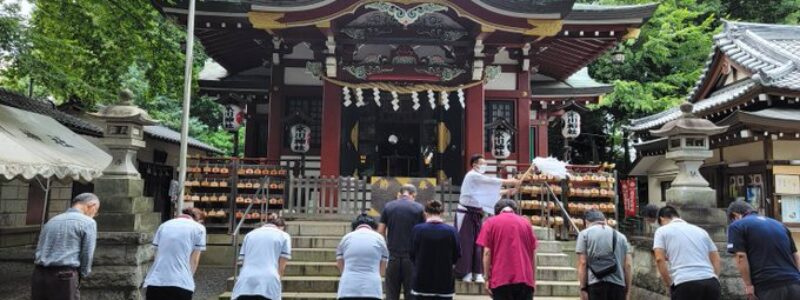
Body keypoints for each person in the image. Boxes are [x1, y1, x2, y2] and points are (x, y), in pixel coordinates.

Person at [456, 154, 520, 283]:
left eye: (485, 163)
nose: (484, 166)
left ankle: (477, 272)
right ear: (474, 164)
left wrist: (507, 191)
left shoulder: (477, 178)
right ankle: (465, 272)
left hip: (477, 213)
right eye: (482, 163)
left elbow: (486, 193)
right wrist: (510, 181)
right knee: (466, 243)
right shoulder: (472, 175)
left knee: (479, 243)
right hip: (466, 213)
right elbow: (490, 181)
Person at [32, 193, 100, 300]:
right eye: (95, 211)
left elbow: (40, 247)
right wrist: (83, 274)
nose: (94, 215)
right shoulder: (88, 223)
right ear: (91, 205)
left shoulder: (52, 221)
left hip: (39, 275)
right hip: (65, 277)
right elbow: (87, 253)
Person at [727, 200, 800, 300]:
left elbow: (741, 256)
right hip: (794, 284)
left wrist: (748, 286)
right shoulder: (780, 225)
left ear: (735, 215)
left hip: (767, 286)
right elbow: (796, 256)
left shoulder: (737, 225)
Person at [653, 206, 720, 300]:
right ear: (678, 216)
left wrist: (669, 283)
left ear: (661, 218)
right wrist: (715, 276)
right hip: (710, 282)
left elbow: (659, 259)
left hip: (685, 283)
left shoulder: (662, 231)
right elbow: (715, 256)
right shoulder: (700, 230)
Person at [476, 198, 537, 300]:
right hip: (525, 279)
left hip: (500, 279)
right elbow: (533, 253)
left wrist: (486, 278)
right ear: (515, 210)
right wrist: (533, 280)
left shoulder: (490, 223)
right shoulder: (526, 223)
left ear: (497, 212)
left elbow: (487, 253)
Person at [143, 208, 207, 300]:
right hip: (181, 283)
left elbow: (156, 255)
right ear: (199, 220)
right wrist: (189, 277)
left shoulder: (164, 225)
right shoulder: (199, 228)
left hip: (155, 281)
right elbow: (194, 260)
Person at [378, 184, 425, 300]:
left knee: (391, 294)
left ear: (400, 194)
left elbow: (380, 232)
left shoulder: (388, 207)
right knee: (411, 294)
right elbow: (424, 233)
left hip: (392, 256)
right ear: (413, 195)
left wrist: (385, 251)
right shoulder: (419, 208)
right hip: (411, 258)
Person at [231, 215, 292, 300]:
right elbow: (282, 267)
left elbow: (243, 261)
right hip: (269, 281)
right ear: (281, 227)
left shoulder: (249, 235)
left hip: (245, 280)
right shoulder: (284, 236)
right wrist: (278, 281)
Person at [576, 209, 632, 300]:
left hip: (595, 285)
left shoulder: (584, 234)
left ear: (586, 222)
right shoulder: (622, 237)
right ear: (604, 220)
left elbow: (582, 263)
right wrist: (628, 292)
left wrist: (583, 289)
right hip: (618, 287)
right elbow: (628, 265)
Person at [411, 200, 461, 300]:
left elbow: (412, 253)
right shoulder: (451, 231)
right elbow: (457, 254)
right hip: (444, 281)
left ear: (425, 213)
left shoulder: (417, 229)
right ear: (442, 213)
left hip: (421, 280)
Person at [336, 214, 389, 300]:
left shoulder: (346, 238)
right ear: (374, 227)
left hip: (347, 288)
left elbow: (340, 264)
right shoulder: (379, 239)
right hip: (372, 289)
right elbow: (383, 268)